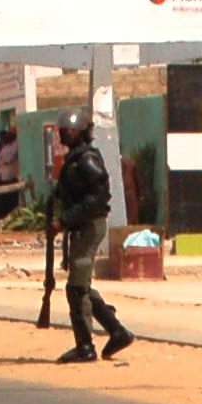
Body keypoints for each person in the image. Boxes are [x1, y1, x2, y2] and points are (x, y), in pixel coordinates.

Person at [51, 108, 135, 364]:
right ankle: (117, 331)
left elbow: (98, 198)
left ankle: (85, 346)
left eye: (71, 130)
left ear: (81, 132)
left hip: (89, 227)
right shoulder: (75, 159)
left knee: (76, 288)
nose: (66, 133)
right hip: (82, 227)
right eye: (64, 130)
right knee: (81, 285)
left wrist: (65, 219)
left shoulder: (86, 160)